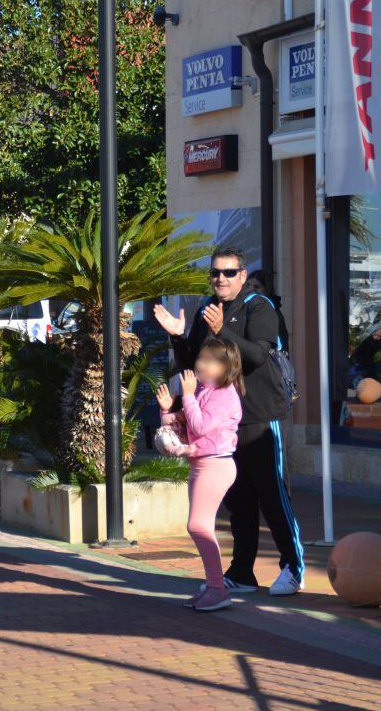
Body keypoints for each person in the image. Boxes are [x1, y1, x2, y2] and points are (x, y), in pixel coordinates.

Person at [154, 246, 303, 597]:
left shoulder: (259, 307)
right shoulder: (207, 311)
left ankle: (293, 568)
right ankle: (242, 572)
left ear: (243, 274)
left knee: (272, 494)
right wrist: (177, 336)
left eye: (229, 273)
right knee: (238, 499)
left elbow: (257, 356)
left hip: (259, 417)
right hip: (221, 424)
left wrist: (224, 332)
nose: (221, 279)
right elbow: (194, 364)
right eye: (215, 273)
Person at [156, 339, 244, 612]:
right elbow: (183, 428)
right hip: (200, 463)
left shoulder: (225, 394)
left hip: (216, 465)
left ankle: (217, 589)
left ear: (226, 366)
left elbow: (202, 426)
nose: (200, 365)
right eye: (200, 359)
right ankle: (213, 586)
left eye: (209, 360)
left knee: (198, 526)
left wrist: (189, 396)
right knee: (199, 525)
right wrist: (166, 410)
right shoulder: (205, 390)